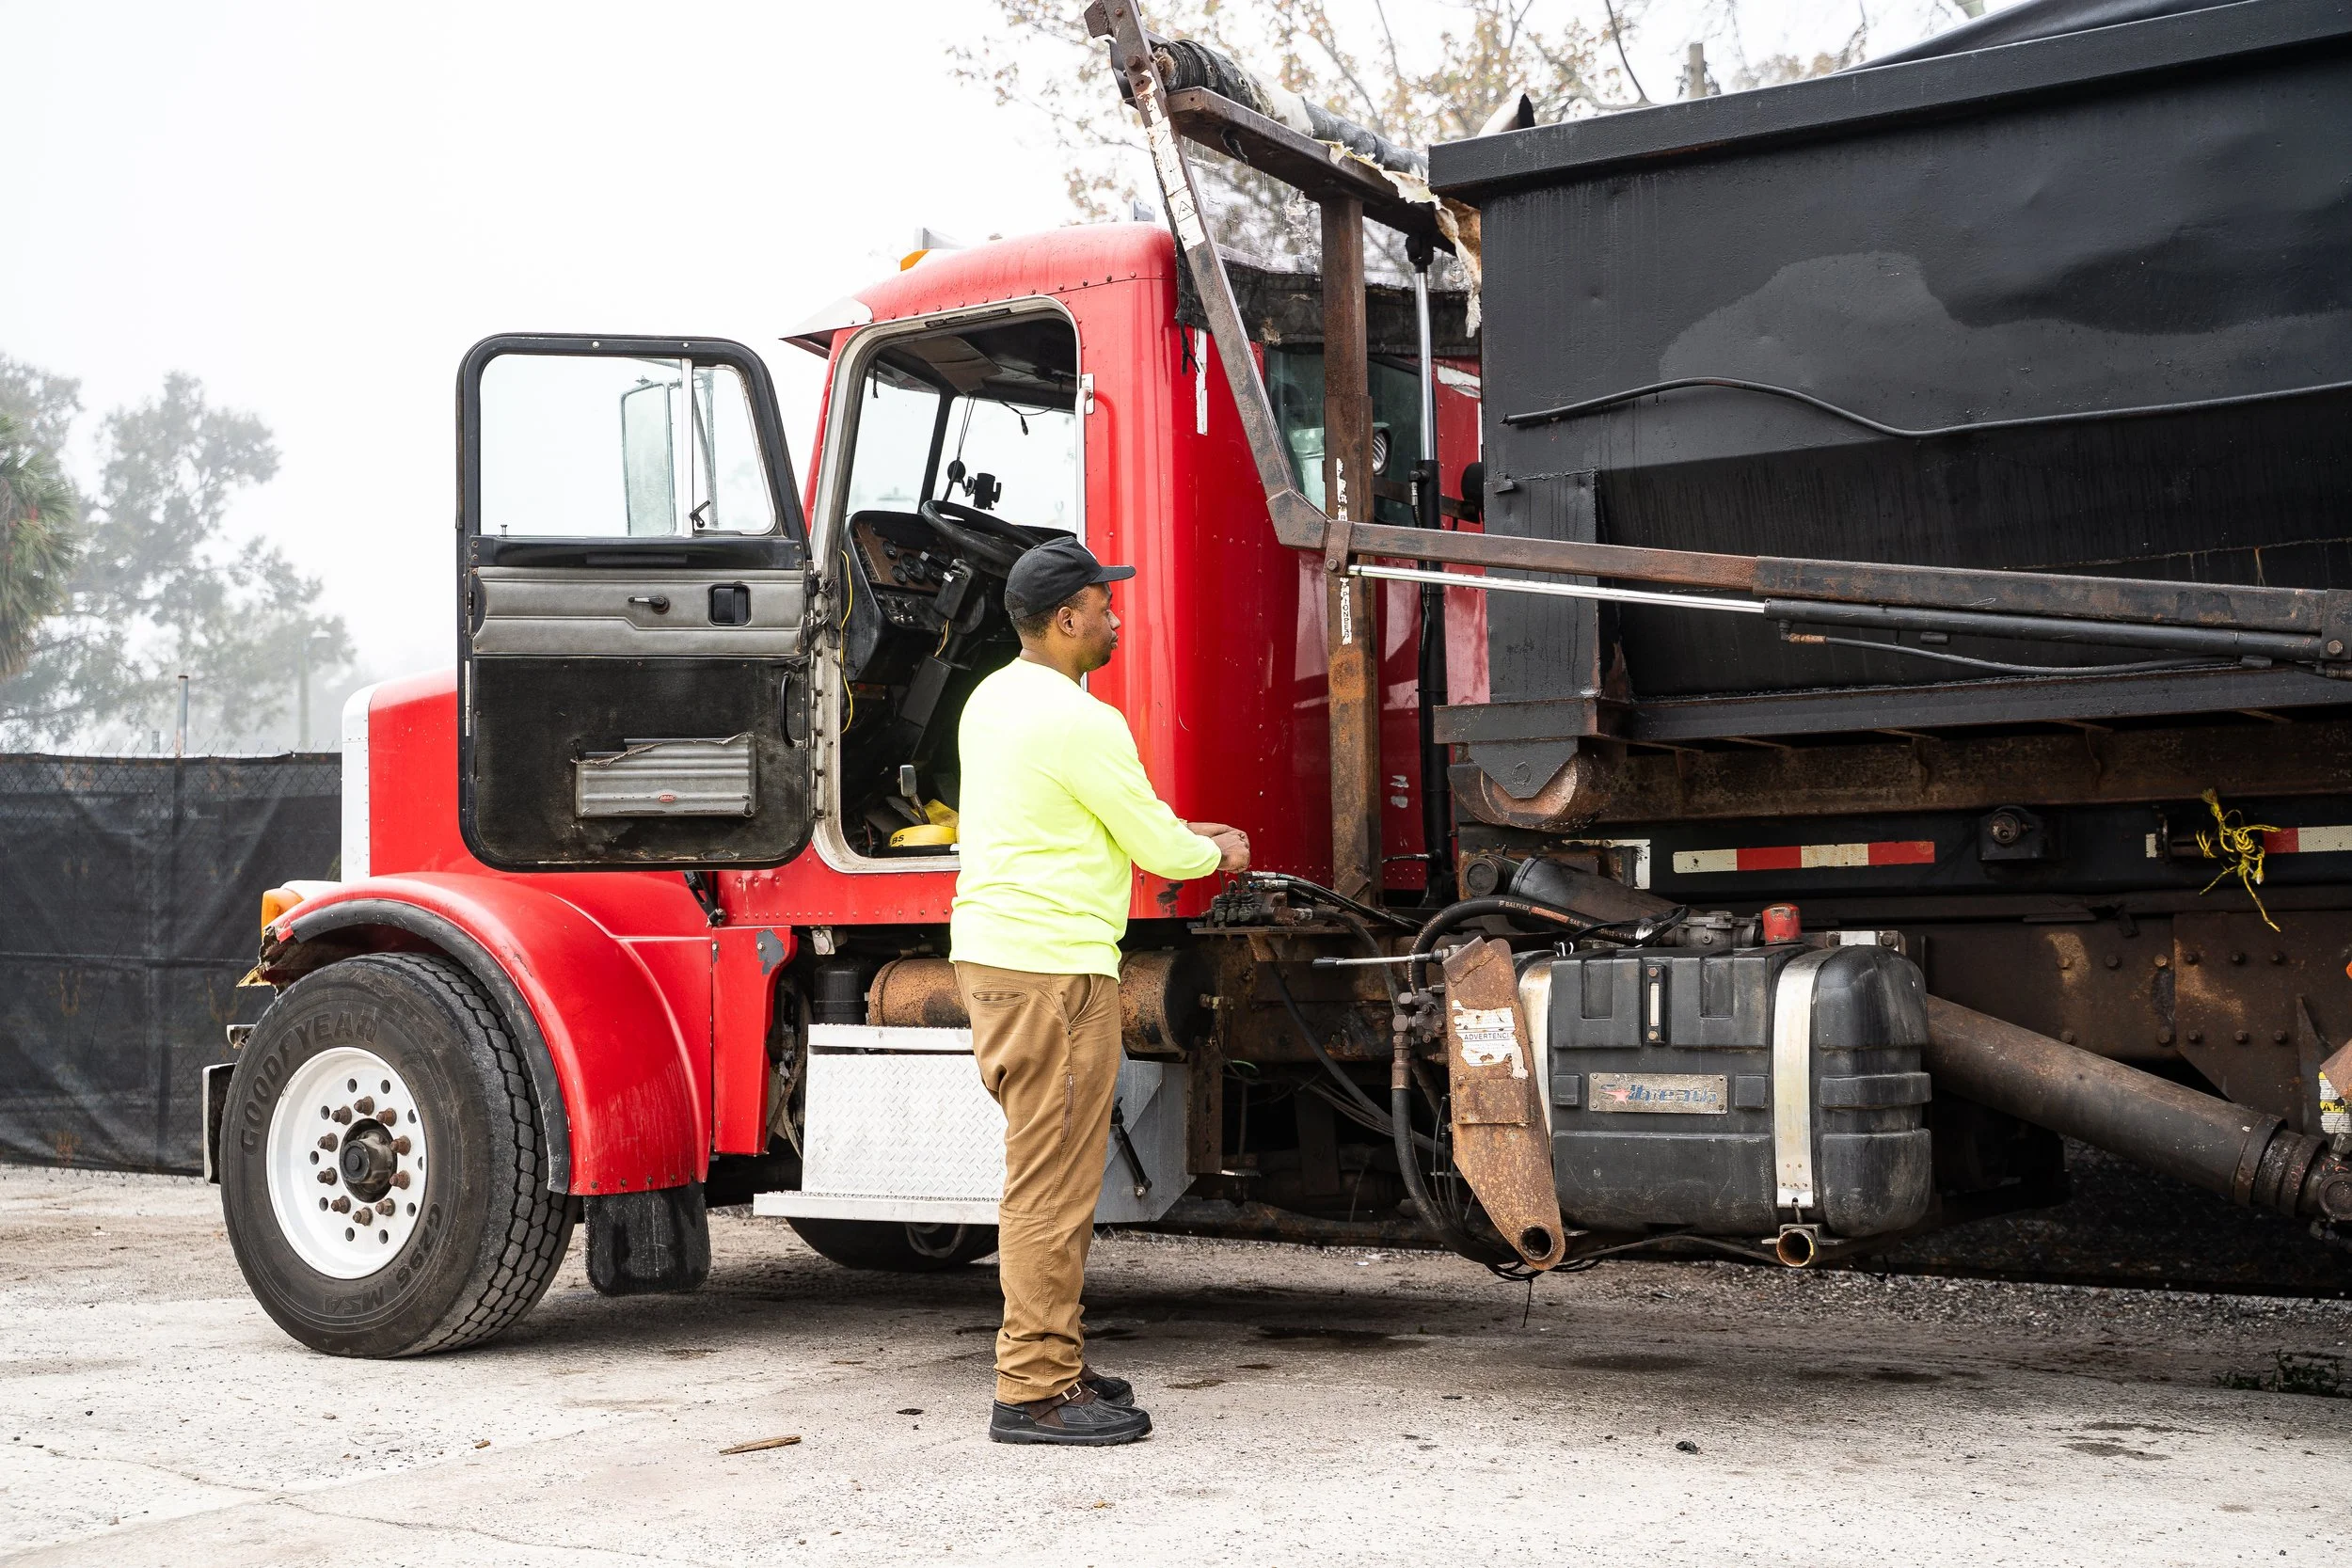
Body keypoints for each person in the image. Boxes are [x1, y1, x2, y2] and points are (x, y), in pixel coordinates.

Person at [951, 537, 1248, 1447]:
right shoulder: (1084, 721)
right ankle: (1035, 1392)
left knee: (1048, 1179)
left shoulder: (993, 699)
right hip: (1053, 975)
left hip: (1001, 964)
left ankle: (1056, 1361)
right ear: (1066, 618)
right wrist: (1218, 853)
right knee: (1052, 1188)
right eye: (1103, 605)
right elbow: (1160, 848)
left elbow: (1089, 816)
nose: (1116, 618)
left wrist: (1171, 832)